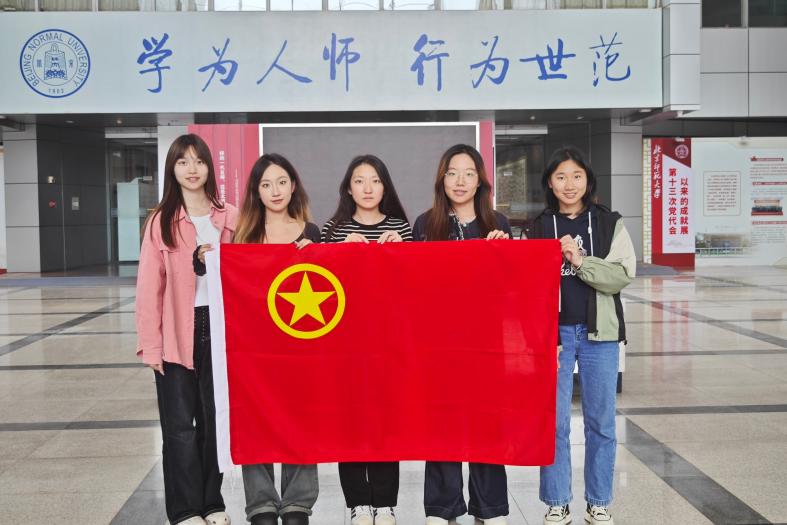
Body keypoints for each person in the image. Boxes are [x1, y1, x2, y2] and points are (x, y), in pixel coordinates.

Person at [136, 134, 237, 525]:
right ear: (172, 169)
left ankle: (212, 503)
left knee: (215, 422)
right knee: (179, 428)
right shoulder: (161, 221)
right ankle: (184, 510)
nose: (192, 169)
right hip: (177, 333)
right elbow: (149, 289)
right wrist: (151, 345)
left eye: (199, 161)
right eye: (183, 162)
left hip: (221, 331)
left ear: (209, 167)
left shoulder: (230, 216)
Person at [531, 146, 636, 525]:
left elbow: (621, 275)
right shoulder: (539, 227)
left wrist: (579, 261)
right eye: (560, 177)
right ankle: (557, 501)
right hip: (553, 338)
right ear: (550, 183)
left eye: (576, 176)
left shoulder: (609, 223)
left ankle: (599, 502)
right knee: (554, 423)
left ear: (588, 180)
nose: (569, 184)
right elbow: (527, 285)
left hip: (599, 335)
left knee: (601, 422)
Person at [412, 144, 510, 525]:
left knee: (487, 421)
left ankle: (490, 506)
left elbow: (510, 288)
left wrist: (504, 253)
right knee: (441, 421)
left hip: (486, 342)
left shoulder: (497, 223)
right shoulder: (425, 224)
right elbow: (413, 283)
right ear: (442, 178)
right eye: (452, 173)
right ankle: (442, 506)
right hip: (438, 343)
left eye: (469, 173)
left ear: (480, 181)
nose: (460, 181)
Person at [321, 154, 412, 525]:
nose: (368, 188)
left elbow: (413, 285)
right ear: (348, 188)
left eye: (375, 180)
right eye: (359, 181)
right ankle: (358, 502)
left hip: (389, 343)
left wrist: (401, 251)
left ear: (385, 186)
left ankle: (386, 503)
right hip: (345, 343)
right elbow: (321, 283)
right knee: (350, 421)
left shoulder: (401, 227)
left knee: (386, 420)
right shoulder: (333, 229)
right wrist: (341, 252)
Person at [233, 153, 321, 525]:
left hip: (302, 346)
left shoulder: (311, 231)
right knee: (254, 416)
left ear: (293, 185)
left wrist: (317, 254)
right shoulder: (243, 236)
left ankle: (298, 501)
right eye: (266, 184)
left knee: (302, 417)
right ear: (256, 191)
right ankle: (261, 504)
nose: (275, 191)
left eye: (282, 182)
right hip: (255, 347)